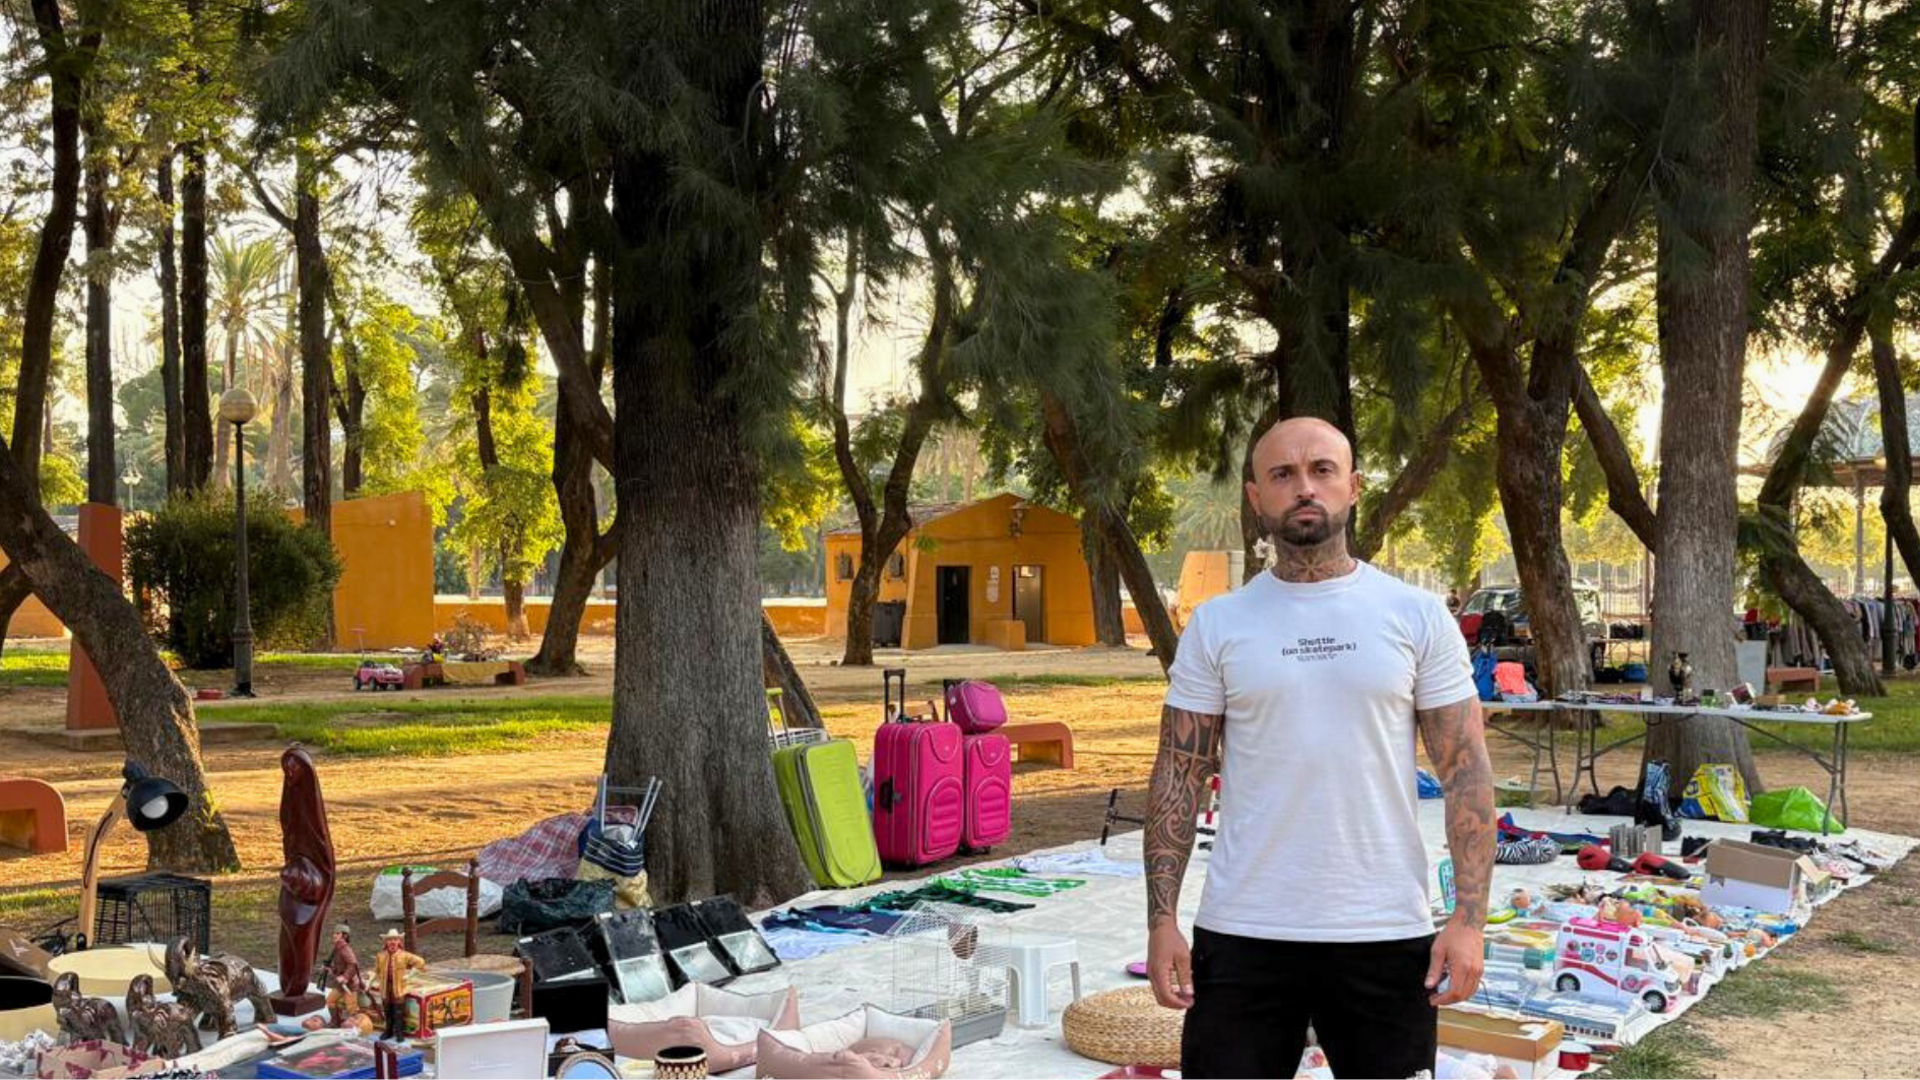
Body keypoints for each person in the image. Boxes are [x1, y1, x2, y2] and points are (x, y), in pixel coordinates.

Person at [1144, 416, 1496, 1079]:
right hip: (1244, 931)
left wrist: (1468, 919)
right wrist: (1163, 919)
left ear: (1354, 486)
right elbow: (1178, 776)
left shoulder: (1415, 614)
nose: (1304, 487)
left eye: (1322, 470)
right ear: (1256, 498)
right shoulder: (1218, 624)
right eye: (1282, 474)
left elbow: (1466, 771)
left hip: (1384, 933)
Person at [373, 929, 427, 1041]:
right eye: (390, 940)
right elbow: (376, 971)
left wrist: (410, 975)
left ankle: (399, 1033)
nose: (392, 942)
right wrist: (370, 981)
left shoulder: (404, 955)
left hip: (398, 987)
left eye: (395, 939)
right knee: (387, 1010)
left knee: (398, 1011)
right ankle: (388, 1031)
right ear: (386, 942)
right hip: (385, 987)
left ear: (399, 941)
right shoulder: (380, 956)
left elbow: (420, 962)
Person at [323, 925, 365, 1027]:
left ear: (344, 936)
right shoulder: (337, 948)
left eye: (337, 933)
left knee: (351, 1008)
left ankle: (355, 1026)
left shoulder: (345, 949)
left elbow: (353, 964)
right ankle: (335, 1021)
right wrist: (331, 969)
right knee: (330, 1001)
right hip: (340, 985)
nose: (334, 935)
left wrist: (345, 977)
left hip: (349, 985)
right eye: (334, 933)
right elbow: (340, 966)